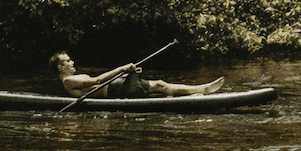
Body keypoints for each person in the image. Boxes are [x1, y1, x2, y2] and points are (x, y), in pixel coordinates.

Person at [49, 52, 225, 98]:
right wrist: (122, 68)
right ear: (60, 67)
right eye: (68, 61)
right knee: (159, 85)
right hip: (115, 90)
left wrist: (127, 71)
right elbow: (96, 81)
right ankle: (202, 89)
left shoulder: (74, 78)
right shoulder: (69, 80)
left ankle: (195, 91)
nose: (72, 63)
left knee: (157, 86)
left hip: (115, 87)